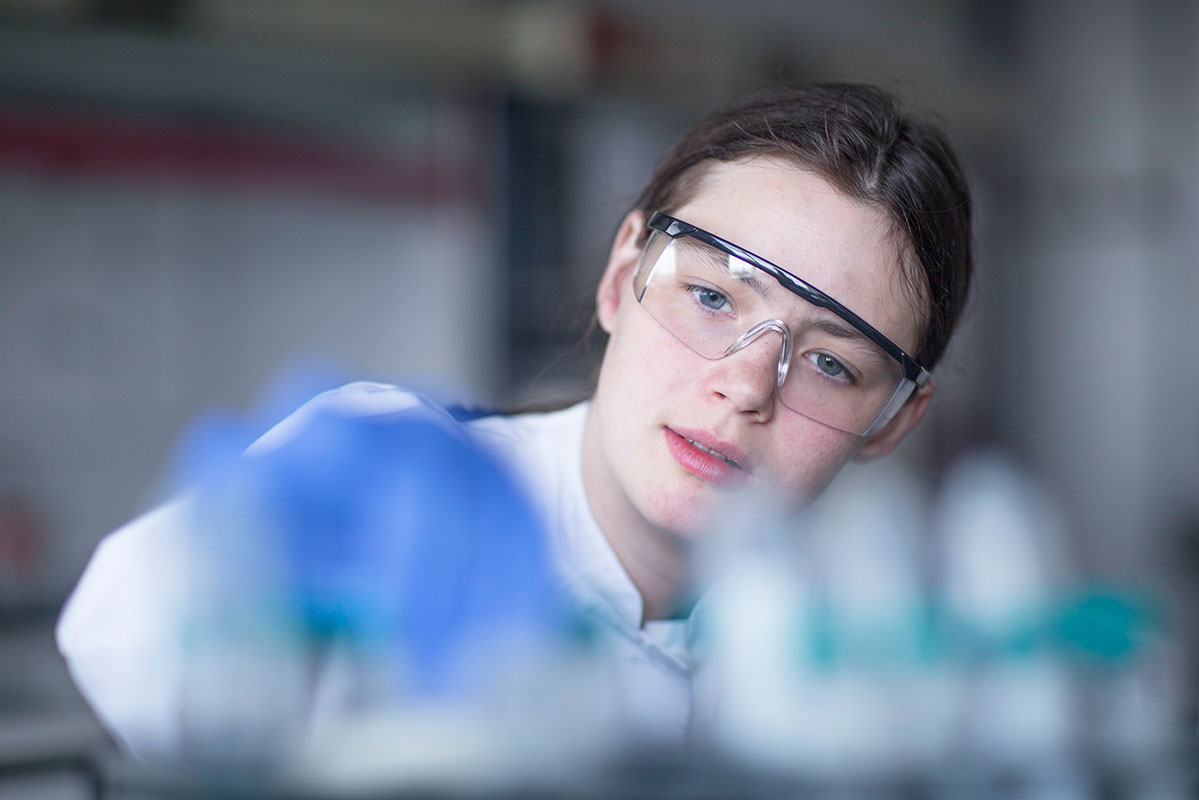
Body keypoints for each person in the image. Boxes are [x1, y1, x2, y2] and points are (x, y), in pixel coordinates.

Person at [56, 83, 973, 758]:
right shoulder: (408, 487)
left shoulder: (862, 660)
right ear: (623, 277)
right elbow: (115, 623)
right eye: (710, 296)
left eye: (828, 363)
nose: (745, 388)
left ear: (893, 420)